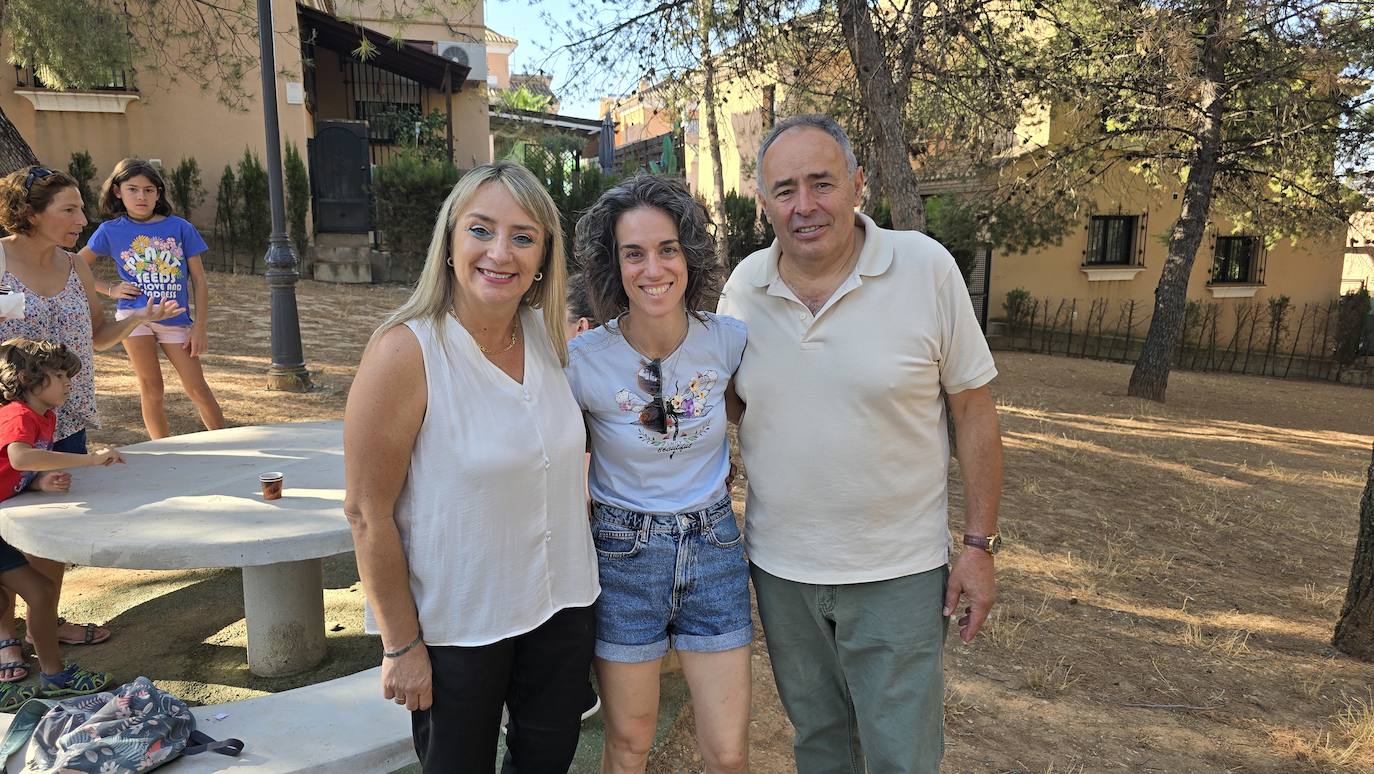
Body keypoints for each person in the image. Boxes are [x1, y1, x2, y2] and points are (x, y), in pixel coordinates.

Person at [717, 114, 1005, 773]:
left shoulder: (923, 269)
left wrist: (978, 547)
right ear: (764, 202)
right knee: (820, 745)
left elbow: (975, 410)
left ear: (858, 184)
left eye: (822, 183)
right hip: (782, 572)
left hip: (898, 574)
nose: (805, 206)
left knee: (901, 756)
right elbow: (730, 402)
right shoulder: (744, 289)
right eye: (785, 190)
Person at [344, 161, 598, 773]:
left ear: (544, 255)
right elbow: (365, 511)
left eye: (523, 236)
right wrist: (400, 644)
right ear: (450, 239)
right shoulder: (406, 350)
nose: (500, 253)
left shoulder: (547, 338)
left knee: (547, 762)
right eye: (482, 230)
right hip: (459, 626)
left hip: (562, 606)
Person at [569, 174, 751, 774]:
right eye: (634, 253)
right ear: (612, 265)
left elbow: (764, 415)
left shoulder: (728, 342)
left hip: (715, 550)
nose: (653, 269)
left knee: (726, 754)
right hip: (624, 557)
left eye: (667, 248)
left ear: (689, 254)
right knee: (628, 744)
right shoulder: (584, 362)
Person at [0, 166, 181, 679]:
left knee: (52, 527)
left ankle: (47, 619)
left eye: (81, 207)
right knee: (6, 531)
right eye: (69, 209)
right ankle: (5, 637)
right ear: (31, 214)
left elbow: (98, 336)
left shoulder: (74, 266)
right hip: (10, 423)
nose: (82, 218)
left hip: (67, 416)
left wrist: (139, 320)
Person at [0, 338, 120, 706]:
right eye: (58, 375)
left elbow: (13, 468)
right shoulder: (18, 414)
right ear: (26, 378)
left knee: (39, 593)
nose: (68, 382)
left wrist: (38, 481)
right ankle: (54, 676)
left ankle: (54, 673)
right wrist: (89, 461)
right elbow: (19, 457)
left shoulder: (44, 415)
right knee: (38, 592)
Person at [79, 158, 225, 440]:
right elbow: (76, 265)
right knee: (151, 387)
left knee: (197, 387)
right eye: (132, 189)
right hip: (135, 320)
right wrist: (110, 289)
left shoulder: (180, 227)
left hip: (175, 318)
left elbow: (199, 280)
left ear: (158, 194)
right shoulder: (110, 230)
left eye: (149, 190)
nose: (141, 196)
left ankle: (228, 444)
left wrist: (200, 326)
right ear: (118, 192)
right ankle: (162, 450)